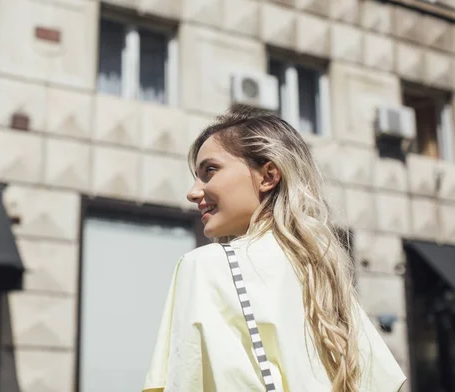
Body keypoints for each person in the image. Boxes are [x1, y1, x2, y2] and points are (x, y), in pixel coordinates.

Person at [142, 105, 406, 392]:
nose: (193, 192)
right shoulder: (325, 280)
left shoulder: (207, 266)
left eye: (210, 171)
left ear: (268, 176)